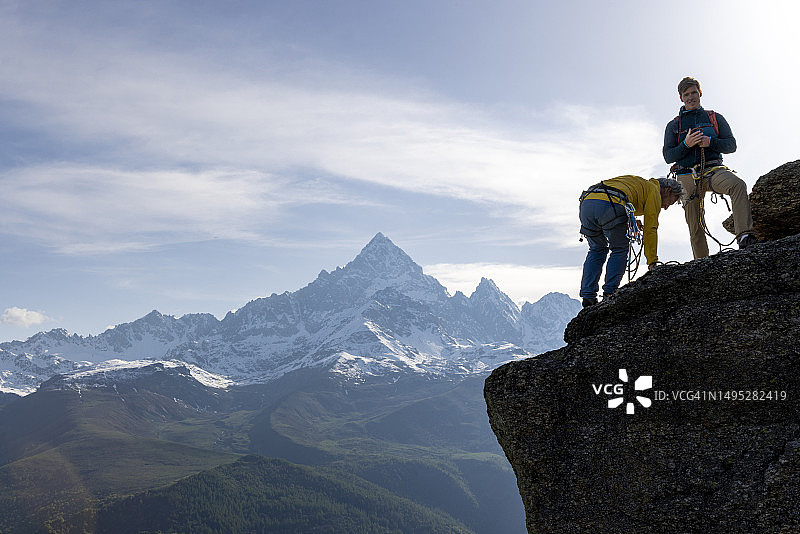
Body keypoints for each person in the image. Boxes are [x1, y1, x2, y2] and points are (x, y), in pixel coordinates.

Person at [663, 76, 757, 258]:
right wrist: (686, 145)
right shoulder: (674, 125)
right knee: (693, 219)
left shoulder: (714, 117)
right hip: (686, 173)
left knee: (737, 185)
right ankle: (702, 261)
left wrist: (711, 142)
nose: (691, 97)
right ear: (681, 98)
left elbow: (731, 145)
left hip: (713, 170)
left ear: (700, 94)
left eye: (693, 93)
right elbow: (668, 156)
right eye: (686, 94)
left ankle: (745, 236)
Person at [579, 176, 683, 307]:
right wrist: (652, 261)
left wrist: (631, 218)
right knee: (619, 249)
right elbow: (650, 229)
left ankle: (588, 297)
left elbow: (621, 193)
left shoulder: (638, 183)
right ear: (667, 190)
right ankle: (610, 293)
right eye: (670, 202)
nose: (666, 207)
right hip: (611, 204)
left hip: (588, 202)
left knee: (596, 249)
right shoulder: (654, 191)